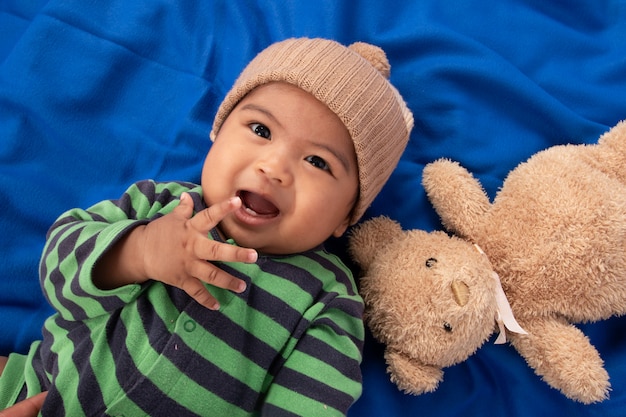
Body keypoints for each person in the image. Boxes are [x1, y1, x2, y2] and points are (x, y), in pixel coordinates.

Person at [0, 37, 413, 416]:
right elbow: (58, 277)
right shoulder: (162, 204)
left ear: (345, 215)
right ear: (217, 133)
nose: (274, 168)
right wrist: (139, 251)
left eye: (318, 162)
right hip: (34, 387)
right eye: (260, 130)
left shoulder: (327, 300)